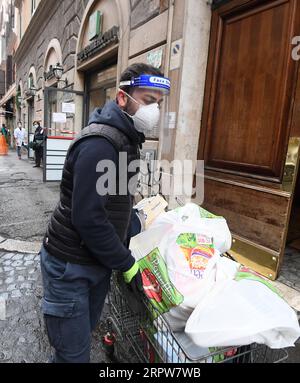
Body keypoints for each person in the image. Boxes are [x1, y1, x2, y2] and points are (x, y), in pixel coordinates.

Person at [39, 63, 170, 363]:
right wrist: (127, 263)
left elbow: (114, 202)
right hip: (69, 267)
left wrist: (135, 224)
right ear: (123, 98)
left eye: (158, 104)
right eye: (148, 101)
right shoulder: (101, 144)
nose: (154, 111)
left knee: (79, 341)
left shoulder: (126, 140)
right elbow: (88, 218)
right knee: (74, 355)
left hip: (95, 264)